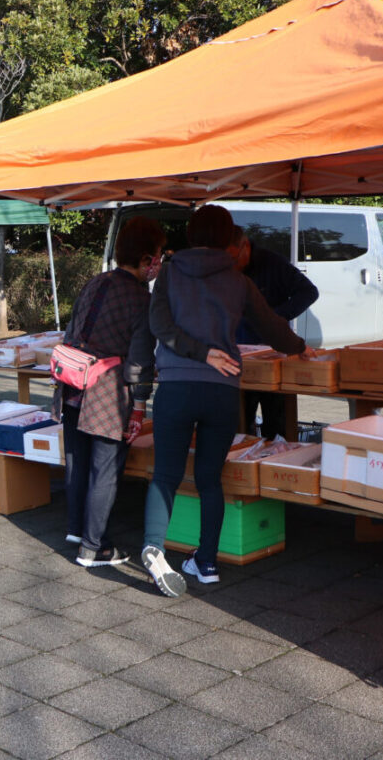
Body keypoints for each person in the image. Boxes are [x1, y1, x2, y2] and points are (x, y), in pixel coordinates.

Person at [141, 205, 310, 596]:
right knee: (209, 479)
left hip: (176, 386)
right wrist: (301, 348)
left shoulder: (168, 273)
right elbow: (272, 326)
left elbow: (159, 326)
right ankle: (207, 562)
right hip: (222, 390)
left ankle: (153, 546)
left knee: (165, 474)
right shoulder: (238, 280)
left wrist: (195, 352)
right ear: (229, 237)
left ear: (189, 233)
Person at [58, 216, 164, 568]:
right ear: (147, 258)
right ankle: (94, 547)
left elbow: (73, 328)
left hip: (72, 382)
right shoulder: (140, 298)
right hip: (106, 391)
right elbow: (139, 361)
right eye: (158, 257)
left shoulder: (95, 282)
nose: (159, 264)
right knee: (104, 470)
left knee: (77, 461)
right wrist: (139, 405)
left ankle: (76, 529)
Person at [232, 227, 320, 439]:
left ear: (245, 247)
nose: (231, 264)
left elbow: (309, 292)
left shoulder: (273, 263)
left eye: (234, 258)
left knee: (277, 423)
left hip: (275, 353)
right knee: (240, 424)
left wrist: (275, 317)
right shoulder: (225, 270)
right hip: (240, 356)